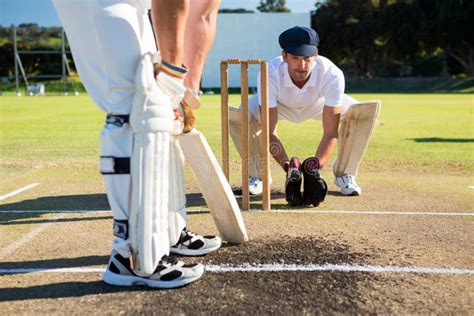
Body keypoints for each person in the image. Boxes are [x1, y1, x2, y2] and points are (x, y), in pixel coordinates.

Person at [52, 0, 222, 288]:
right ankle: (132, 256)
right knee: (133, 108)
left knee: (163, 111)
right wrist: (171, 70)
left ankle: (168, 233)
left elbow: (203, 12)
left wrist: (186, 87)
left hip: (136, 4)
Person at [229, 26, 380, 206]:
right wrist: (288, 167)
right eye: (295, 58)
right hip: (281, 105)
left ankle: (345, 174)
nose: (302, 66)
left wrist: (314, 168)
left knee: (364, 113)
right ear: (284, 56)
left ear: (316, 55)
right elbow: (270, 132)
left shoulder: (332, 74)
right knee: (238, 117)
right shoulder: (269, 73)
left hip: (317, 103)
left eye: (307, 58)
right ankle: (258, 175)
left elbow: (330, 132)